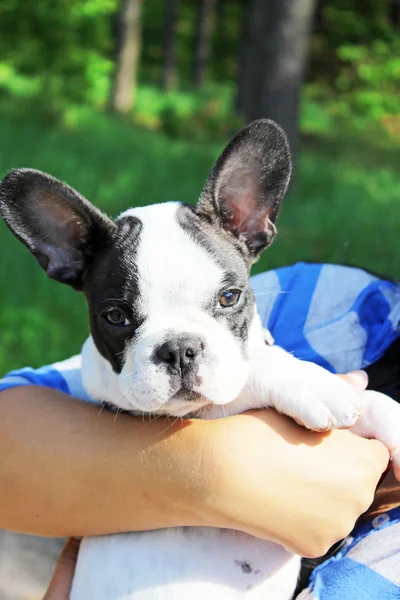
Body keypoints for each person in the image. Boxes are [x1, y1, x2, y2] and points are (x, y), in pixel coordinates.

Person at [1, 262, 399, 599]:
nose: (183, 355)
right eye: (121, 317)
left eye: (226, 301)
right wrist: (212, 470)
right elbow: (14, 417)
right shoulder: (317, 308)